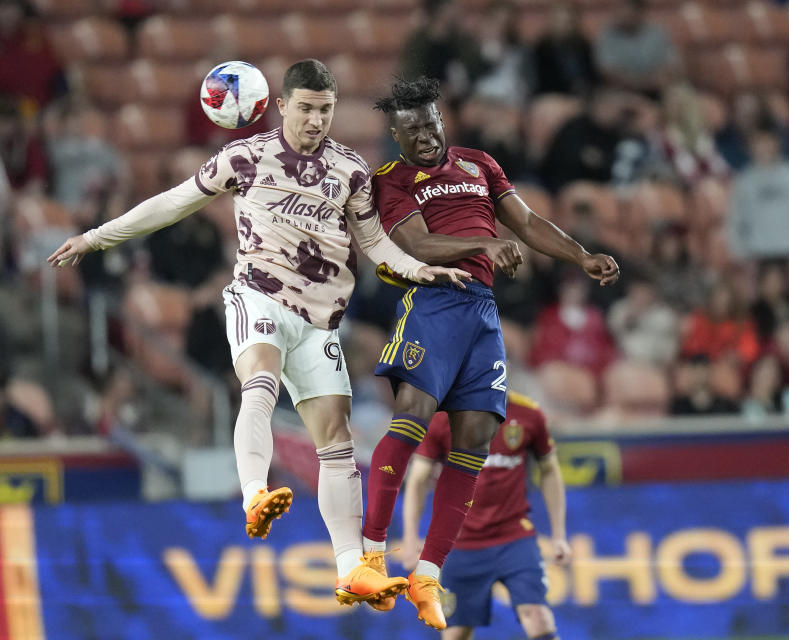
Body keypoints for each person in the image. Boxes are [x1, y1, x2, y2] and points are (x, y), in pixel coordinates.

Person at [47, 59, 467, 606]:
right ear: (282, 105)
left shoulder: (351, 170)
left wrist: (418, 269)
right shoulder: (246, 156)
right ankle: (254, 495)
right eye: (307, 108)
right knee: (261, 381)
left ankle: (352, 568)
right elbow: (174, 203)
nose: (317, 120)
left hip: (321, 321)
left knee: (337, 446)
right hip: (259, 295)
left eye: (326, 109)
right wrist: (99, 237)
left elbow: (376, 244)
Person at [363, 76, 618, 629]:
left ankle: (429, 568)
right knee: (413, 416)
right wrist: (484, 242)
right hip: (434, 295)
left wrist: (580, 256)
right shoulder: (392, 180)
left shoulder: (479, 163)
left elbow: (525, 223)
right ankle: (371, 552)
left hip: (482, 310)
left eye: (432, 124)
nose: (427, 136)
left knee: (474, 439)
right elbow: (417, 245)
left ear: (442, 120)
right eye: (413, 129)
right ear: (396, 134)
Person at [402, 392, 569, 640]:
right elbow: (417, 480)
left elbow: (549, 470)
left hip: (515, 538)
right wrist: (409, 538)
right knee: (456, 632)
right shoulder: (441, 419)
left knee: (537, 616)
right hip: (460, 544)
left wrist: (559, 535)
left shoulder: (529, 414)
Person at [727, 124, 789, 262]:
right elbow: (735, 219)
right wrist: (740, 253)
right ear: (751, 146)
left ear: (777, 143)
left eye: (768, 141)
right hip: (756, 253)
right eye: (759, 142)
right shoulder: (744, 180)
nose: (764, 147)